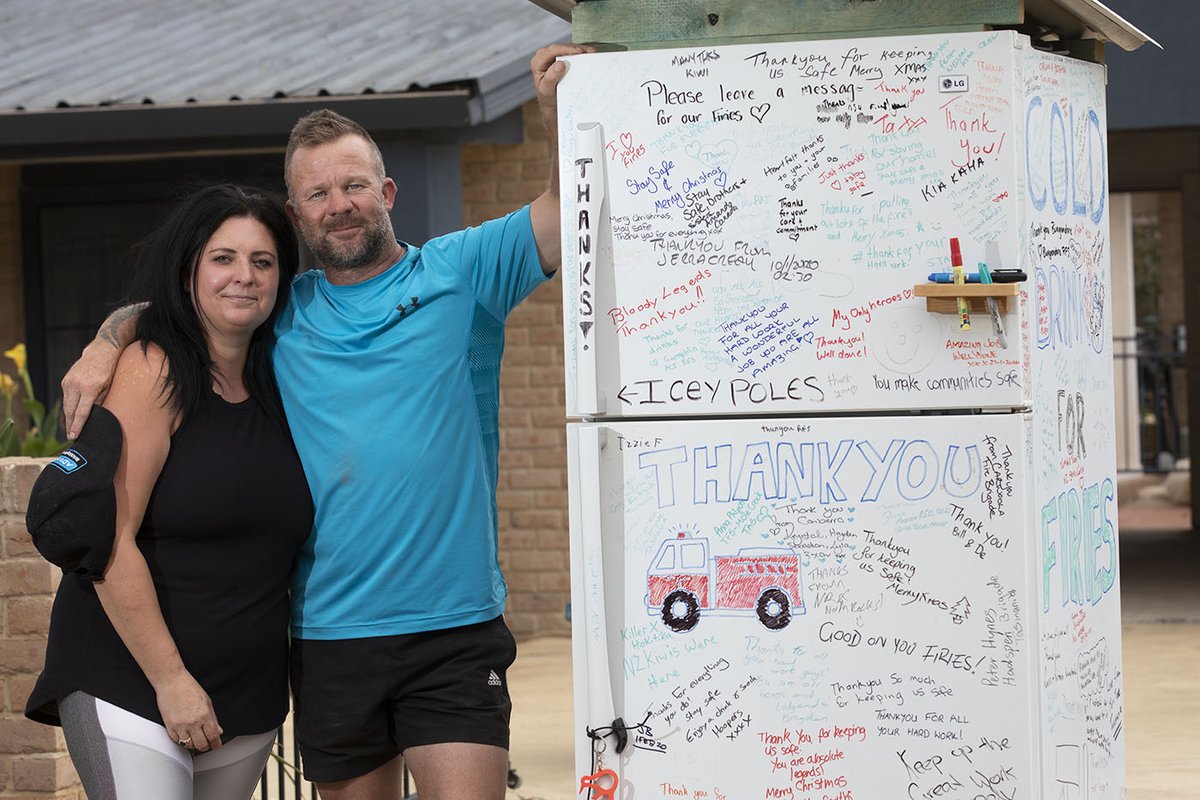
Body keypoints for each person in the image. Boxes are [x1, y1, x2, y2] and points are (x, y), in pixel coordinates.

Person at [57, 43, 591, 800]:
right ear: (297, 213)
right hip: (330, 633)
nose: (338, 204)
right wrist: (104, 342)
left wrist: (558, 115)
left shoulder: (463, 273)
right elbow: (182, 309)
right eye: (316, 194)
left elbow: (565, 208)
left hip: (454, 624)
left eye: (353, 185)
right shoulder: (282, 310)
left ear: (388, 191)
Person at [25, 184, 314, 799]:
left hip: (245, 699)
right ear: (189, 271)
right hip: (132, 680)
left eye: (263, 262)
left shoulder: (285, 375)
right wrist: (172, 680)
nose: (244, 276)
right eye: (223, 258)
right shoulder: (155, 368)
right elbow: (108, 536)